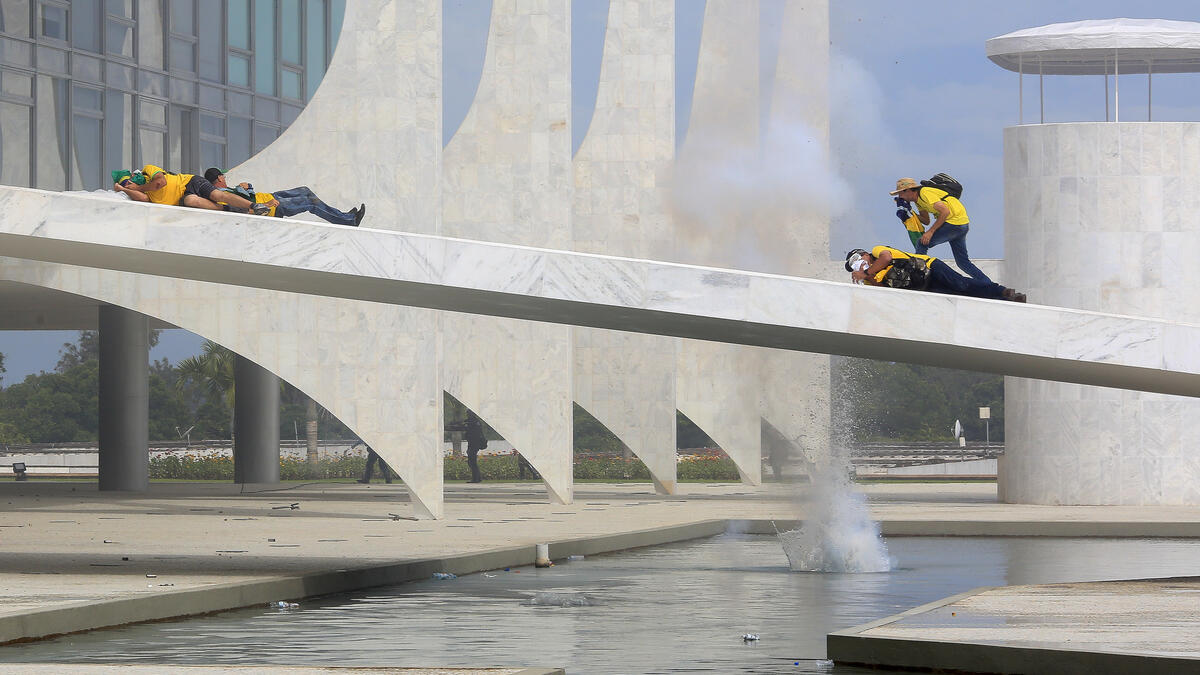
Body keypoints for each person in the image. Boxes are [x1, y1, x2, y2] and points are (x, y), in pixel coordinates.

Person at [890, 177, 990, 281]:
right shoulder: (918, 200)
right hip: (961, 224)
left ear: (908, 190)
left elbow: (945, 212)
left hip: (954, 223)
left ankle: (918, 275)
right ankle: (987, 284)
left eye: (900, 193)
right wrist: (909, 212)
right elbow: (925, 220)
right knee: (962, 262)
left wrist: (930, 232)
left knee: (922, 243)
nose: (899, 196)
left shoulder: (924, 193)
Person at [846, 246, 1026, 302]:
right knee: (961, 296)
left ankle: (1002, 291)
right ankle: (1008, 301)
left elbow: (886, 258)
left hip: (930, 268)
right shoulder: (869, 278)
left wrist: (867, 271)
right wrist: (868, 277)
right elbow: (885, 289)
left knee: (961, 284)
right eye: (853, 264)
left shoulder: (877, 252)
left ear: (864, 254)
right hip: (923, 286)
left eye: (857, 258)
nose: (857, 263)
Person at [204, 168, 365, 226]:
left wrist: (243, 187)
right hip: (273, 207)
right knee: (311, 202)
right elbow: (242, 212)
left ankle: (345, 216)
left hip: (272, 196)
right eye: (223, 177)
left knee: (305, 190)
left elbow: (246, 198)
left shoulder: (228, 191)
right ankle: (349, 221)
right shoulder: (221, 197)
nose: (225, 178)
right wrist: (266, 205)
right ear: (219, 178)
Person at [114, 165, 268, 214]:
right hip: (184, 199)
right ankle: (235, 210)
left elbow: (160, 183)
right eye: (126, 184)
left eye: (129, 181)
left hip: (190, 182)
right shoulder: (143, 194)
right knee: (192, 201)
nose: (130, 184)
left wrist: (138, 186)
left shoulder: (148, 170)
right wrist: (125, 190)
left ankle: (252, 205)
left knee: (217, 194)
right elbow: (142, 199)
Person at [463, 411, 487, 484]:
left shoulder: (474, 422)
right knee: (471, 461)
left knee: (472, 461)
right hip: (472, 443)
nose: (467, 415)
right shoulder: (474, 422)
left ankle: (476, 478)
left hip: (474, 444)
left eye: (468, 414)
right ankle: (477, 478)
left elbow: (472, 431)